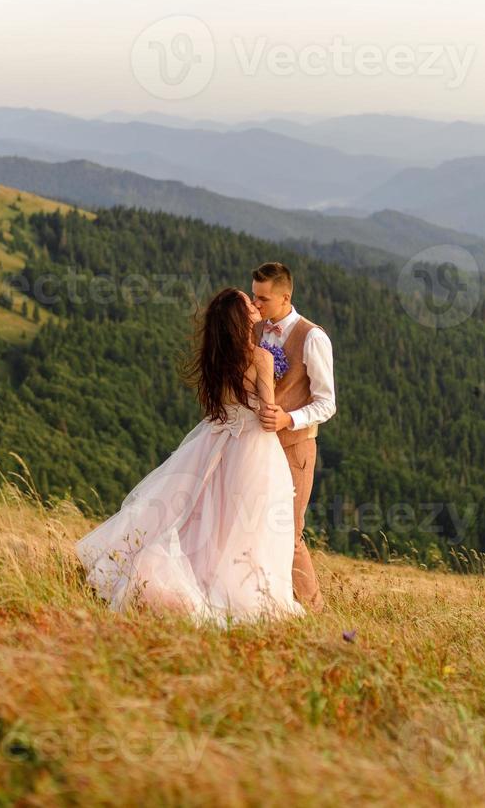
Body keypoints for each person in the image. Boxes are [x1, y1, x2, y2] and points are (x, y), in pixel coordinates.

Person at [75, 287, 304, 623]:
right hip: (252, 448)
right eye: (248, 304)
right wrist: (283, 402)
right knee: (247, 523)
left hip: (214, 442)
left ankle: (194, 575)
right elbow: (267, 414)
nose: (255, 306)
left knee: (202, 515)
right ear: (241, 319)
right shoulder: (260, 358)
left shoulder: (216, 358)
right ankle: (232, 592)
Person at [250, 261, 336, 611]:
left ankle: (314, 609)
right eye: (254, 297)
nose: (256, 306)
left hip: (294, 448)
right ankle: (266, 599)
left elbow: (327, 403)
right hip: (255, 447)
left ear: (286, 297)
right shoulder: (255, 330)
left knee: (288, 532)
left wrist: (288, 418)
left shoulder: (313, 337)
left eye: (263, 299)